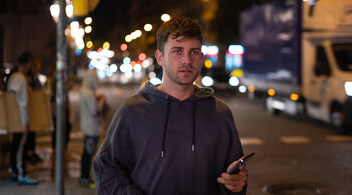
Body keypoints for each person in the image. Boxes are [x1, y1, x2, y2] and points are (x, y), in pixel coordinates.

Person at [93, 17, 248, 194]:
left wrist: (236, 185)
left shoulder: (220, 114)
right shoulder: (132, 112)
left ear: (201, 57)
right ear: (160, 57)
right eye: (177, 51)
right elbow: (106, 171)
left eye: (194, 52)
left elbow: (234, 180)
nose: (187, 60)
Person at [8, 51, 39, 185]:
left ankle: (16, 171)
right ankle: (21, 174)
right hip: (20, 120)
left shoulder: (13, 77)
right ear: (27, 64)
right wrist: (26, 121)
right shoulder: (21, 79)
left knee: (15, 146)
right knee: (20, 147)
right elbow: (23, 103)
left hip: (13, 119)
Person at [79, 68, 104, 188]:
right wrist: (102, 102)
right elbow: (95, 110)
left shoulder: (84, 90)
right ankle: (84, 177)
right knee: (88, 153)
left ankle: (83, 176)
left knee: (86, 153)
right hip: (92, 127)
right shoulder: (88, 93)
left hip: (87, 125)